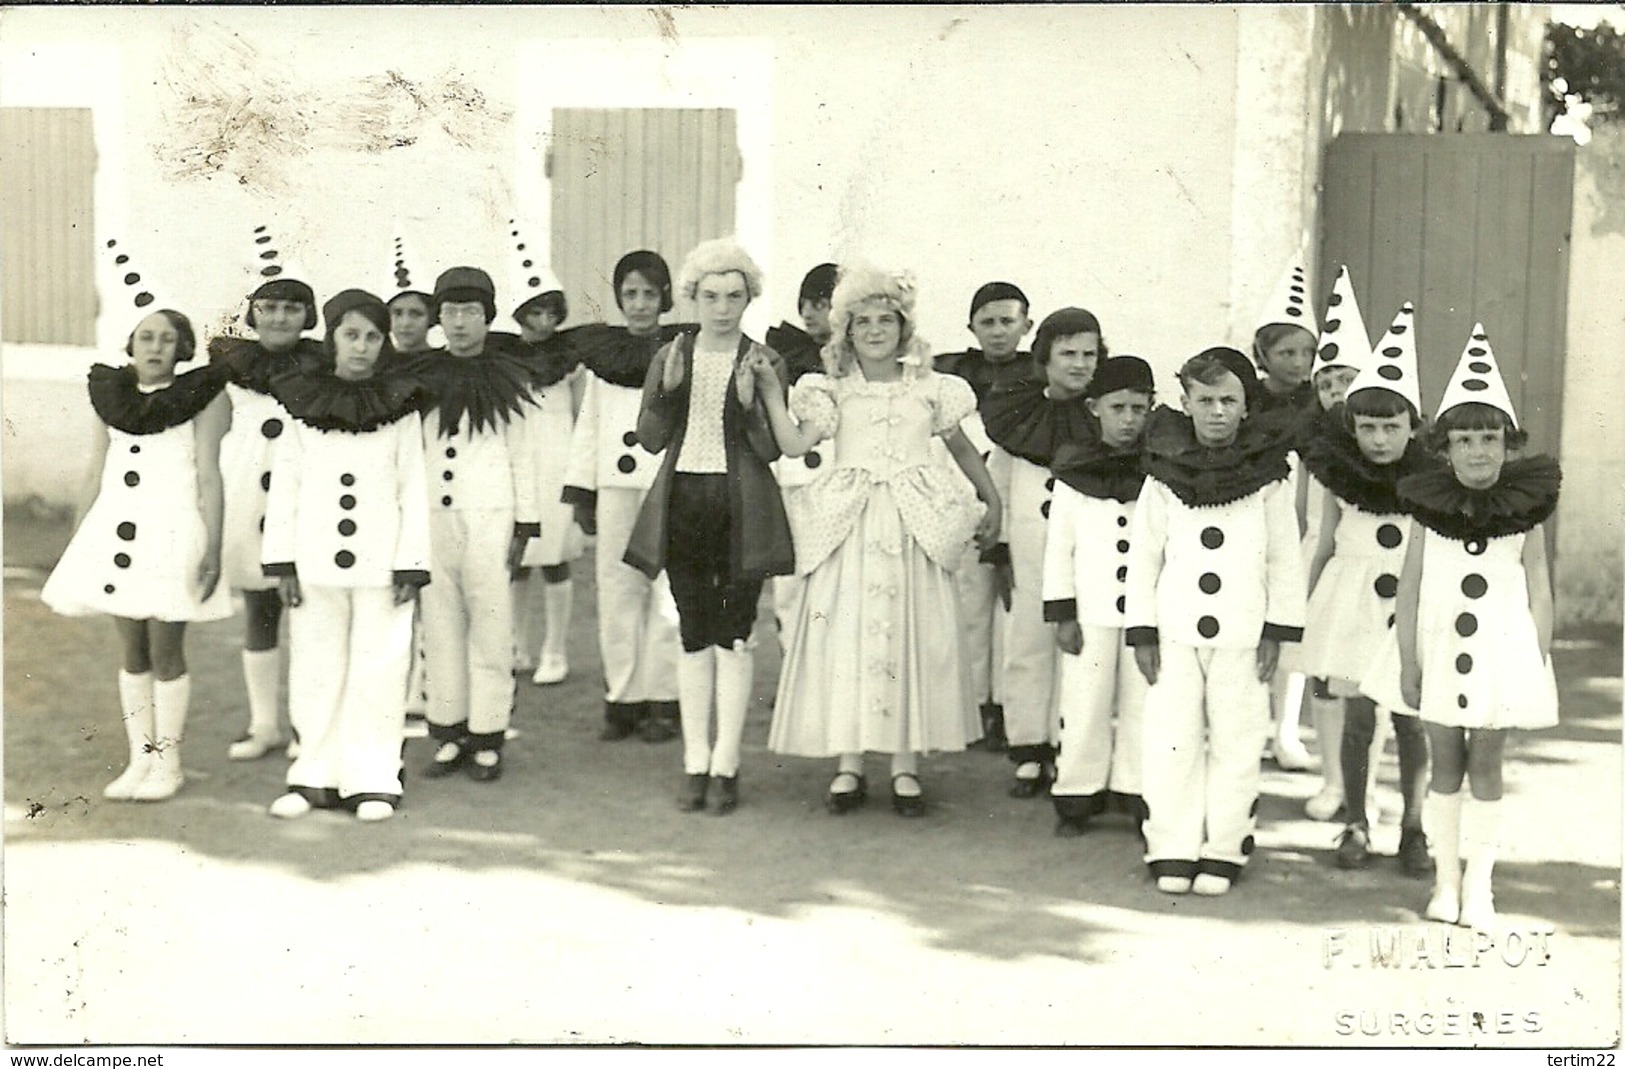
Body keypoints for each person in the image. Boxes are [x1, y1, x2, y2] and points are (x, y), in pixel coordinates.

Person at [764, 264, 1002, 816]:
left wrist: (992, 498)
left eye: (886, 320)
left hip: (914, 522)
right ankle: (849, 763)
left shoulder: (929, 389)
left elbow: (962, 449)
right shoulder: (832, 391)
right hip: (852, 523)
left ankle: (904, 766)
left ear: (903, 327)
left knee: (908, 635)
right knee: (851, 634)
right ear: (845, 330)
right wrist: (773, 397)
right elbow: (796, 445)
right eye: (862, 322)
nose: (875, 331)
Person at [1373, 325, 1560, 931]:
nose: (1477, 452)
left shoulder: (1523, 510)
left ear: (1507, 446)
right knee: (1443, 763)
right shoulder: (1428, 508)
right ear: (1444, 448)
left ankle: (1480, 885)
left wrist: (1538, 659)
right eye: (1463, 440)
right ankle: (1445, 881)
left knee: (1486, 766)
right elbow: (1411, 585)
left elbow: (1538, 587)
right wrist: (1406, 659)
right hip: (1438, 647)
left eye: (1489, 439)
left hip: (1500, 656)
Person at [43, 243, 233, 801]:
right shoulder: (111, 396)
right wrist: (80, 539)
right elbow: (96, 469)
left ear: (182, 347)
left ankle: (167, 763)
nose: (155, 347)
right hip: (116, 533)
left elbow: (208, 477)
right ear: (131, 344)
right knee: (131, 651)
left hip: (172, 533)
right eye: (146, 337)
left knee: (166, 649)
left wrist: (214, 546)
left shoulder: (202, 399)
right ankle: (138, 761)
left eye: (166, 338)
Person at [1126, 347, 1306, 896]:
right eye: (1205, 400)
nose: (1217, 412)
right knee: (1171, 739)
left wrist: (1277, 631)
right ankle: (1172, 845)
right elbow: (1144, 557)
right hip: (1176, 631)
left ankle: (1225, 846)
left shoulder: (1271, 480)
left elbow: (1283, 558)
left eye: (1229, 400)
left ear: (1247, 406)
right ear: (1185, 404)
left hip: (1244, 634)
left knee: (1237, 740)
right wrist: (1143, 631)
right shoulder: (1163, 477)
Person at [624, 239, 794, 815]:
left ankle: (727, 764)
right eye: (711, 296)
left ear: (749, 298)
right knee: (694, 631)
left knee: (736, 634)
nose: (722, 308)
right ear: (693, 297)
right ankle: (695, 762)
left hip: (741, 507)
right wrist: (669, 392)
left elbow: (773, 449)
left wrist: (750, 403)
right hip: (684, 503)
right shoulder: (671, 354)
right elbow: (648, 439)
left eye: (735, 296)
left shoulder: (765, 360)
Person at [261, 289, 431, 821]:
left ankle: (373, 776)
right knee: (316, 664)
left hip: (382, 563)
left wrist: (411, 561)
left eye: (372, 337)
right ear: (332, 337)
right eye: (350, 335)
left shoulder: (400, 407)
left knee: (378, 666)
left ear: (384, 344)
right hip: (314, 559)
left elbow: (413, 488)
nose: (361, 347)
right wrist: (282, 560)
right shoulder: (300, 403)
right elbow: (285, 486)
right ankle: (314, 774)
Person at [1301, 302, 1435, 874]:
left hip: (1411, 610)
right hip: (1353, 605)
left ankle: (1414, 826)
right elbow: (1323, 544)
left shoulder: (1432, 481)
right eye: (1368, 428)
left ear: (1414, 426)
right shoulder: (1338, 475)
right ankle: (1357, 821)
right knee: (1359, 719)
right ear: (1352, 428)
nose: (1379, 440)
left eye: (1391, 427)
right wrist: (1305, 620)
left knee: (1410, 719)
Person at [407, 266, 540, 783]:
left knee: (489, 623)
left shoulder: (509, 375)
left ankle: (488, 734)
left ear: (487, 318)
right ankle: (448, 729)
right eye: (451, 313)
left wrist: (524, 523)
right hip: (434, 517)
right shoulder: (421, 374)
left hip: (490, 514)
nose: (460, 323)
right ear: (438, 318)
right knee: (440, 625)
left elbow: (523, 454)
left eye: (471, 313)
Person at [561, 252, 687, 744]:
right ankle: (624, 696)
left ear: (665, 298)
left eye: (649, 295)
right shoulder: (603, 360)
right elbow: (589, 428)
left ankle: (664, 696)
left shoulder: (681, 352)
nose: (639, 305)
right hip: (615, 487)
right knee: (616, 588)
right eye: (630, 295)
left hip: (665, 485)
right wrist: (582, 493)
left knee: (666, 591)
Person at [211, 228, 323, 763]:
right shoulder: (232, 366)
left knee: (308, 613)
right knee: (258, 611)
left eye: (292, 308)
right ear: (252, 313)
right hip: (247, 496)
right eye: (269, 307)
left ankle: (308, 728)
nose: (279, 318)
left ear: (309, 315)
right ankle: (264, 723)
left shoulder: (322, 366)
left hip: (304, 499)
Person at [980, 307, 1102, 797]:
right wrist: (1002, 548)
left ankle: (1070, 742)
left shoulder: (1103, 412)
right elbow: (1001, 485)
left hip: (1085, 551)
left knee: (1079, 645)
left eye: (1089, 354)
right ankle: (1029, 746)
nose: (1078, 365)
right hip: (1030, 544)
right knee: (1027, 641)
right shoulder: (1019, 414)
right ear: (1045, 357)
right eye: (1067, 354)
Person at [1042, 356, 1155, 836]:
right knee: (1084, 702)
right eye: (1117, 407)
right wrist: (1063, 613)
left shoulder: (1160, 471)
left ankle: (1135, 790)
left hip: (1145, 615)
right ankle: (1077, 794)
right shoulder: (1074, 471)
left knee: (1141, 703)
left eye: (1137, 408)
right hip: (1090, 611)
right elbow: (1059, 548)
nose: (1128, 419)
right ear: (1094, 408)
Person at [934, 281, 1035, 752]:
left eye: (1007, 322)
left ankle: (1007, 704)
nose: (998, 332)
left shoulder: (1038, 375)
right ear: (972, 327)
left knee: (1013, 608)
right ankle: (975, 703)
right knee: (972, 603)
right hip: (972, 497)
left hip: (1022, 497)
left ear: (1026, 326)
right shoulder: (955, 376)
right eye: (988, 322)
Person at [1249, 257, 1321, 773]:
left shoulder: (1319, 405)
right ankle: (1252, 726)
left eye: (1307, 352)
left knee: (1293, 623)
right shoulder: (1246, 399)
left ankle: (1287, 730)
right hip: (1255, 517)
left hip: (1305, 518)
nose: (1298, 363)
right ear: (1262, 354)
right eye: (1287, 352)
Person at [505, 238, 586, 686]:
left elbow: (579, 416)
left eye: (550, 312)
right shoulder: (506, 357)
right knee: (516, 555)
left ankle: (555, 649)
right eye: (534, 312)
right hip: (520, 459)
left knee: (554, 557)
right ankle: (517, 643)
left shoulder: (570, 361)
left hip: (557, 458)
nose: (543, 322)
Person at [764, 262, 838, 653]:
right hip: (793, 482)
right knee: (789, 584)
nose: (809, 313)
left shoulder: (863, 355)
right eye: (805, 303)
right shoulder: (783, 355)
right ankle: (794, 671)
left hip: (840, 484)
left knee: (834, 583)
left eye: (821, 304)